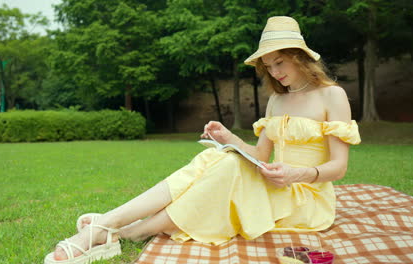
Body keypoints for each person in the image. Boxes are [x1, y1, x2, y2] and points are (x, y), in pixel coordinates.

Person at [44, 16, 361, 263]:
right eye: (268, 66)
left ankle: (119, 229)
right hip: (275, 186)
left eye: (280, 62)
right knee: (218, 157)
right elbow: (260, 154)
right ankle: (117, 227)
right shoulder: (277, 101)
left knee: (226, 169)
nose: (274, 72)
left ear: (300, 57)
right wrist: (227, 137)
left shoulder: (333, 96)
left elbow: (339, 167)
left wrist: (297, 174)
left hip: (308, 200)